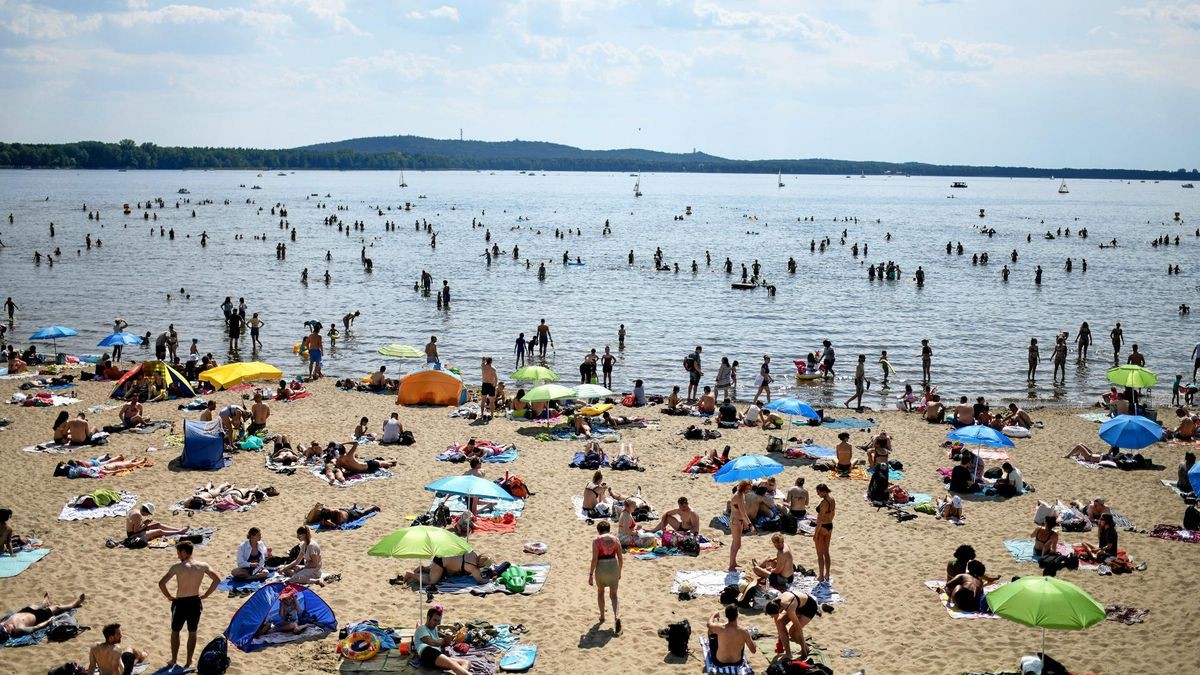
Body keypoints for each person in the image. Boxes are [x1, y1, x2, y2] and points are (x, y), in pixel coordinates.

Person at [158, 541, 220, 671]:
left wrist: (169, 597)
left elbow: (161, 583)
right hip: (195, 602)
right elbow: (217, 580)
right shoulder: (202, 565)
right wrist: (206, 594)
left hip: (180, 603)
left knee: (175, 631)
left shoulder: (177, 567)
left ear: (184, 552)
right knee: (192, 632)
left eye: (178, 553)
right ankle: (188, 660)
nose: (178, 556)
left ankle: (174, 659)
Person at [0, 592, 85, 644]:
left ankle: (44, 604)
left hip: (25, 610)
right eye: (5, 629)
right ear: (9, 633)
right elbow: (36, 627)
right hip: (38, 616)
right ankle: (74, 604)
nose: (5, 626)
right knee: (57, 607)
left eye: (3, 627)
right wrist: (48, 621)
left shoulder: (3, 623)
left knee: (35, 606)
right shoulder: (19, 629)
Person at [765, 589, 824, 660]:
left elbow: (798, 628)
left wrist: (803, 649)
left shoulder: (789, 608)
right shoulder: (774, 603)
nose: (771, 617)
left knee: (793, 632)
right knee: (779, 622)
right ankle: (788, 653)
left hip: (809, 607)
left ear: (779, 610)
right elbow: (779, 628)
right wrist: (779, 644)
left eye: (772, 615)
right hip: (797, 605)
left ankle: (805, 648)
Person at [413, 606, 472, 675]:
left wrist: (446, 641)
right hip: (427, 652)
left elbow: (438, 642)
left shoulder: (434, 629)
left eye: (438, 621)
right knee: (454, 666)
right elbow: (431, 642)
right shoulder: (421, 628)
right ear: (428, 618)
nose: (436, 623)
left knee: (466, 662)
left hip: (437, 655)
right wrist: (444, 641)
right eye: (435, 620)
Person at [589, 520, 624, 633]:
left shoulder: (596, 540)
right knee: (614, 595)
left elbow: (594, 559)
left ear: (598, 530)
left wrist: (590, 574)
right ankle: (616, 616)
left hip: (601, 567)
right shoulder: (616, 539)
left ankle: (602, 616)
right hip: (613, 566)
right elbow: (620, 558)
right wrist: (619, 571)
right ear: (609, 530)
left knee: (600, 592)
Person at [728, 480, 755, 571]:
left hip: (738, 521)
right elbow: (743, 513)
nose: (748, 491)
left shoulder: (741, 494)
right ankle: (731, 564)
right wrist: (750, 525)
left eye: (749, 489)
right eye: (747, 489)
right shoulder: (738, 496)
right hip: (735, 521)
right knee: (736, 544)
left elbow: (741, 512)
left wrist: (744, 522)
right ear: (743, 488)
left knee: (736, 544)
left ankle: (733, 563)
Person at [813, 484, 834, 581]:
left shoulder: (823, 503)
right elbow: (832, 514)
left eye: (819, 492)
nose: (818, 494)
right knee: (826, 552)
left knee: (820, 554)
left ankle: (821, 576)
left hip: (822, 527)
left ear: (824, 491)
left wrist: (816, 533)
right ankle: (827, 574)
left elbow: (820, 519)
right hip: (830, 526)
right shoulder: (832, 499)